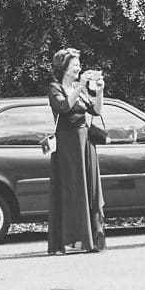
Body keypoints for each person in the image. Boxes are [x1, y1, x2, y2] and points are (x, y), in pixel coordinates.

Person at [45, 47, 106, 254]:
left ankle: (90, 239)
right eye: (75, 65)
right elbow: (63, 108)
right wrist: (80, 87)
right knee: (72, 190)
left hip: (85, 142)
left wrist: (99, 91)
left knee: (89, 189)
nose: (79, 68)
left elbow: (96, 111)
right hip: (68, 145)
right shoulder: (55, 87)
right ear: (64, 68)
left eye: (79, 65)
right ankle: (69, 240)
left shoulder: (80, 89)